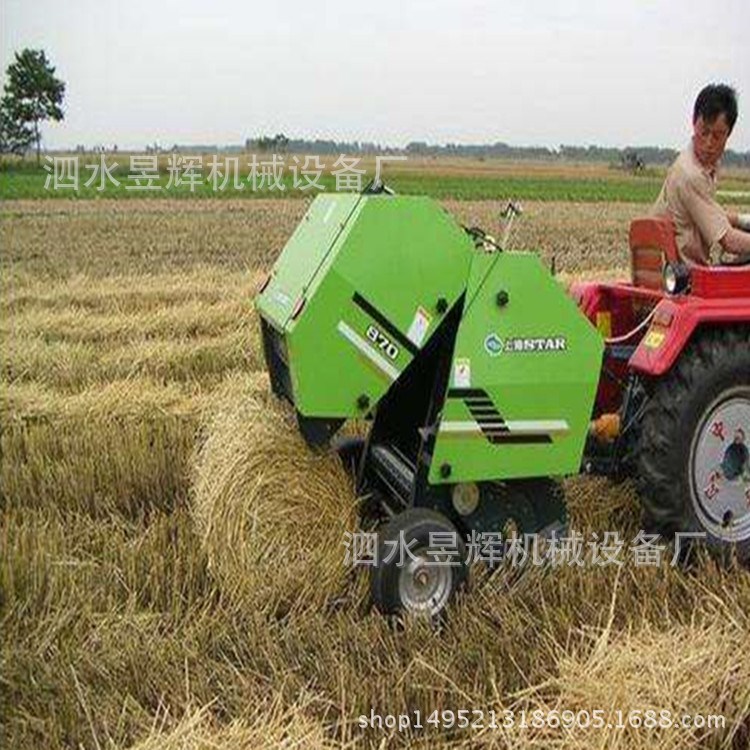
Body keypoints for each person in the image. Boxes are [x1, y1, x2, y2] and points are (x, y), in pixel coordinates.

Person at [652, 84, 750, 265]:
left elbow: (711, 215)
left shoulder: (695, 164)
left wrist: (743, 220)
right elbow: (728, 241)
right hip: (686, 278)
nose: (708, 143)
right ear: (693, 122)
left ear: (728, 134)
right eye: (704, 132)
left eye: (717, 136)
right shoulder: (690, 174)